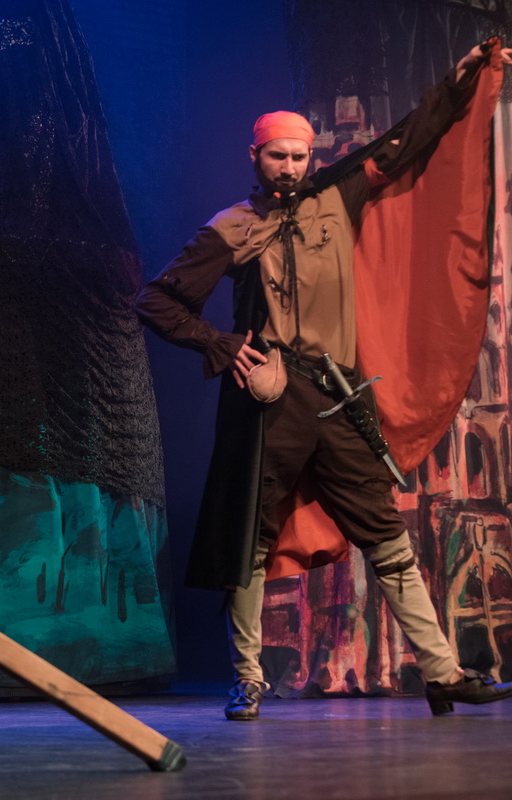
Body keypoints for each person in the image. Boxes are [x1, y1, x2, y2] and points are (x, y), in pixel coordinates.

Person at [137, 42, 512, 720]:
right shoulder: (232, 227)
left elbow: (408, 139)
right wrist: (221, 344)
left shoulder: (340, 195)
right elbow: (157, 301)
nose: (289, 166)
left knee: (385, 533)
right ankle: (247, 677)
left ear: (312, 156)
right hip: (268, 401)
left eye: (298, 155)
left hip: (338, 398)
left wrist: (461, 82)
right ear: (254, 156)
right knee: (250, 539)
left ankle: (441, 673)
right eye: (276, 156)